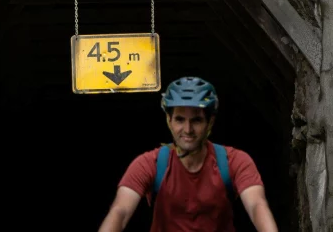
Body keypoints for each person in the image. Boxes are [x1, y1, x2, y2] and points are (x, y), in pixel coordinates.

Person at [98, 76, 278, 232]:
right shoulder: (150, 163)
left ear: (210, 121)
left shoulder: (234, 161)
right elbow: (120, 211)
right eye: (179, 119)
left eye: (197, 120)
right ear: (169, 120)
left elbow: (256, 205)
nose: (187, 129)